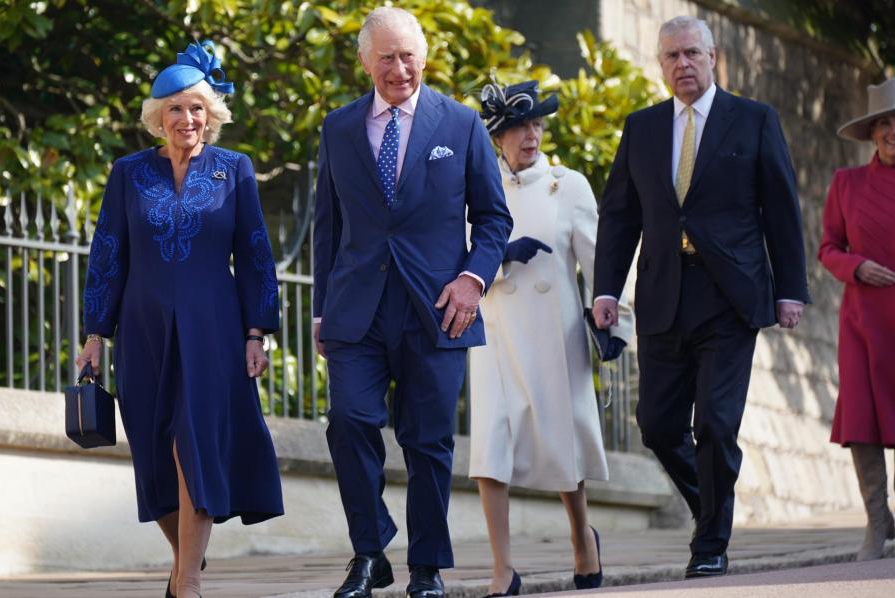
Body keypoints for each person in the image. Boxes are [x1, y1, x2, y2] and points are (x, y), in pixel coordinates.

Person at [592, 16, 810, 578]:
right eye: (671, 56)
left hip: (730, 296)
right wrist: (605, 290)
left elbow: (781, 211)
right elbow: (620, 216)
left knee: (715, 423)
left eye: (692, 53)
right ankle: (711, 508)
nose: (682, 64)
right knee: (658, 427)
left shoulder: (753, 120)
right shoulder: (641, 128)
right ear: (660, 65)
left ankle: (710, 543)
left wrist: (790, 289)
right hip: (664, 293)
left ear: (713, 58)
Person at [312, 7, 512, 598]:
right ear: (365, 63)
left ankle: (426, 566)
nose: (398, 69)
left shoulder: (462, 125)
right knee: (348, 421)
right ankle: (370, 552)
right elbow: (329, 225)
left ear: (423, 57)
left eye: (407, 56)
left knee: (427, 440)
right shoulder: (338, 128)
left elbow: (495, 218)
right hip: (357, 309)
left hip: (438, 308)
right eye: (385, 58)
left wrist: (473, 279)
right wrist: (322, 309)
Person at [75, 40, 283, 598]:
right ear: (157, 117)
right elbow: (108, 253)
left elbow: (256, 253)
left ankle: (185, 582)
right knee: (152, 451)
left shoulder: (233, 170)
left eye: (196, 108)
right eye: (175, 108)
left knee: (194, 443)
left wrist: (257, 331)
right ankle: (184, 560)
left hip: (213, 326)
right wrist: (96, 333)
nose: (187, 119)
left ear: (210, 115)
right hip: (142, 329)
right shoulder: (128, 173)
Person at [467, 80, 634, 595]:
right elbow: (454, 254)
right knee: (490, 451)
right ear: (497, 136)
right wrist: (497, 256)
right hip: (494, 328)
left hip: (553, 332)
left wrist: (614, 320)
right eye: (518, 126)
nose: (530, 135)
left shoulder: (569, 185)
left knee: (563, 444)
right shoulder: (474, 186)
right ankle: (503, 569)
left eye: (536, 124)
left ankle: (582, 537)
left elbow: (601, 261)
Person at [818, 77, 895, 561]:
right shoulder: (846, 184)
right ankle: (877, 523)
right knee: (862, 421)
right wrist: (856, 266)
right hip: (863, 321)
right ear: (871, 133)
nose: (893, 132)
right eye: (884, 123)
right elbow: (827, 248)